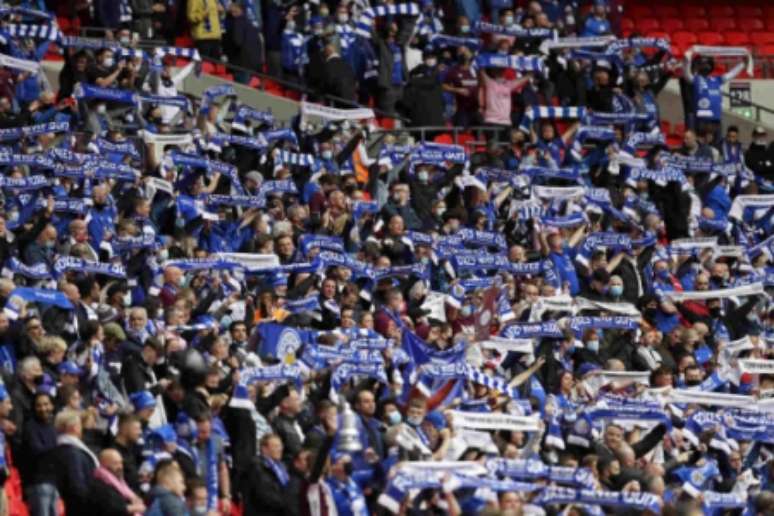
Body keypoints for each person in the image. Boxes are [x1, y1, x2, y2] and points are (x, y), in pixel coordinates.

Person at [52, 409, 98, 515]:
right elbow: (77, 485)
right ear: (74, 427)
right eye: (80, 425)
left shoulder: (61, 449)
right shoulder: (72, 453)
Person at [90, 448, 146, 515]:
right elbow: (113, 508)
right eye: (115, 463)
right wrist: (135, 508)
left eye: (121, 463)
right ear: (104, 464)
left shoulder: (119, 481)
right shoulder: (99, 483)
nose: (120, 467)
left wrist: (136, 501)